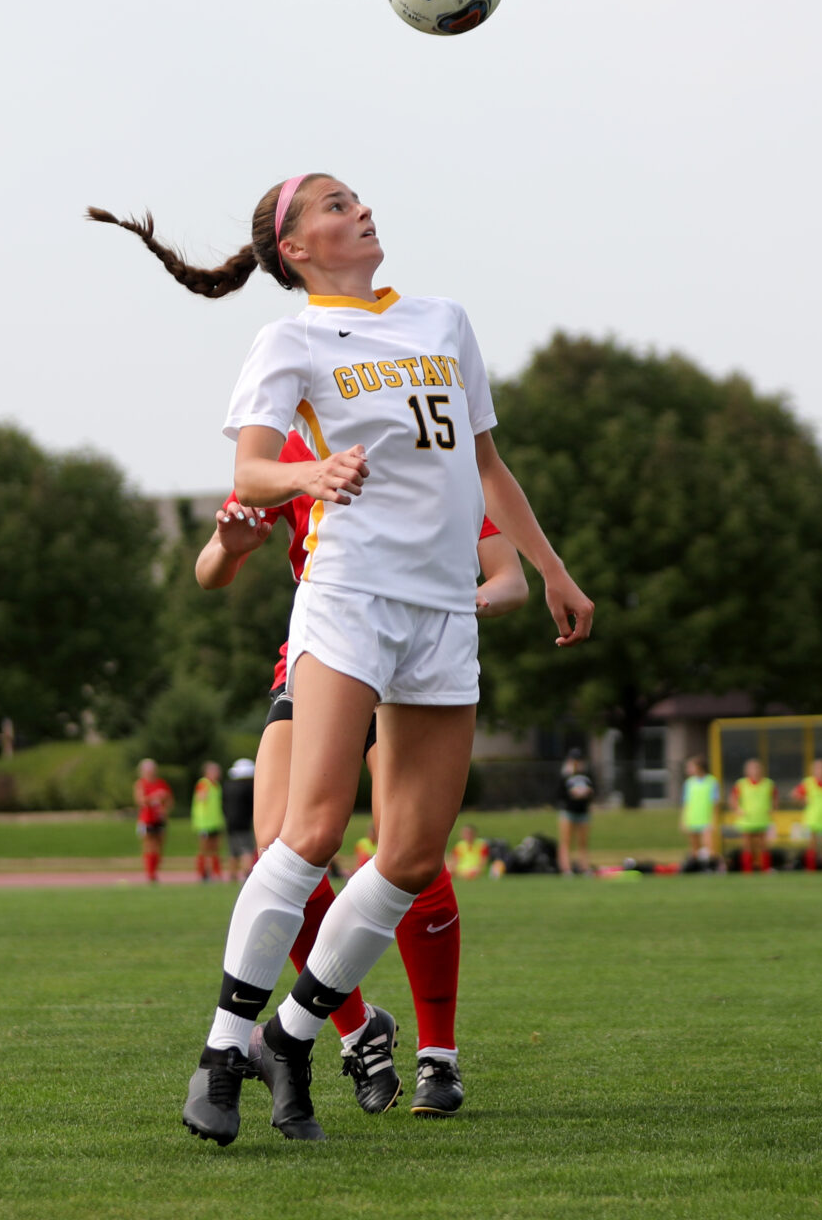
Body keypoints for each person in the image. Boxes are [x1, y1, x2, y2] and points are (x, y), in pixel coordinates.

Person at [98, 172, 592, 1146]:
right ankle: (220, 1052)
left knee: (409, 855)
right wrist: (307, 472)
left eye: (354, 196)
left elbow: (487, 464)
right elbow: (249, 468)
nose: (356, 207)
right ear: (295, 249)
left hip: (443, 606)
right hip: (350, 591)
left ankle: (292, 1032)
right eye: (332, 204)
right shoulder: (286, 340)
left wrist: (551, 568)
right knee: (312, 827)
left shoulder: (444, 320)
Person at [187, 348, 530, 1125]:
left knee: (406, 851)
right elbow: (211, 567)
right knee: (285, 842)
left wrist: (448, 608)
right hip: (326, 656)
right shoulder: (300, 452)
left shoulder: (422, 454)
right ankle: (353, 1030)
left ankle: (437, 1056)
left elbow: (506, 575)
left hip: (413, 658)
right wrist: (231, 547)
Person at [134, 759, 175, 884]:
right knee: (149, 846)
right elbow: (140, 800)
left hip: (159, 819)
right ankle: (150, 873)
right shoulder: (141, 784)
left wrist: (165, 810)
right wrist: (155, 796)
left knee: (159, 847)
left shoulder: (161, 783)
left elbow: (170, 800)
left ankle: (155, 871)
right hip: (147, 819)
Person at [556, 749, 595, 877]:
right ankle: (566, 869)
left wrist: (587, 793)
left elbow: (594, 791)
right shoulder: (565, 776)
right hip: (568, 811)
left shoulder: (587, 776)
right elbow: (559, 793)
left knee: (582, 842)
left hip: (582, 811)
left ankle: (584, 867)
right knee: (566, 841)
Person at [731, 759, 775, 874]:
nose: (755, 771)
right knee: (747, 845)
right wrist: (737, 809)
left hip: (761, 818)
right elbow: (733, 798)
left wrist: (772, 808)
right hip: (747, 819)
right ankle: (747, 870)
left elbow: (774, 797)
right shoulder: (741, 784)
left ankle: (765, 868)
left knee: (763, 845)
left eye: (757, 768)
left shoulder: (768, 784)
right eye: (752, 768)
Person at [221, 758, 258, 882]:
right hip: (243, 823)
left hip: (230, 822)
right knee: (246, 848)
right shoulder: (248, 787)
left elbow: (223, 805)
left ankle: (232, 874)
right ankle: (247, 873)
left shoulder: (227, 786)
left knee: (233, 850)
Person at [679, 755, 719, 869]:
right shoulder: (689, 783)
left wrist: (713, 820)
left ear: (699, 767)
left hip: (706, 818)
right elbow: (686, 803)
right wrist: (683, 820)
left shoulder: (711, 782)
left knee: (709, 847)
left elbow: (714, 803)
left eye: (691, 766)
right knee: (694, 848)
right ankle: (697, 868)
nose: (688, 769)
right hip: (693, 818)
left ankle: (713, 867)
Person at [191, 762, 228, 883]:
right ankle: (203, 873)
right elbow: (201, 798)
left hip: (215, 821)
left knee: (216, 848)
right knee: (204, 849)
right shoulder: (203, 784)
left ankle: (216, 872)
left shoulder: (216, 785)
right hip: (204, 823)